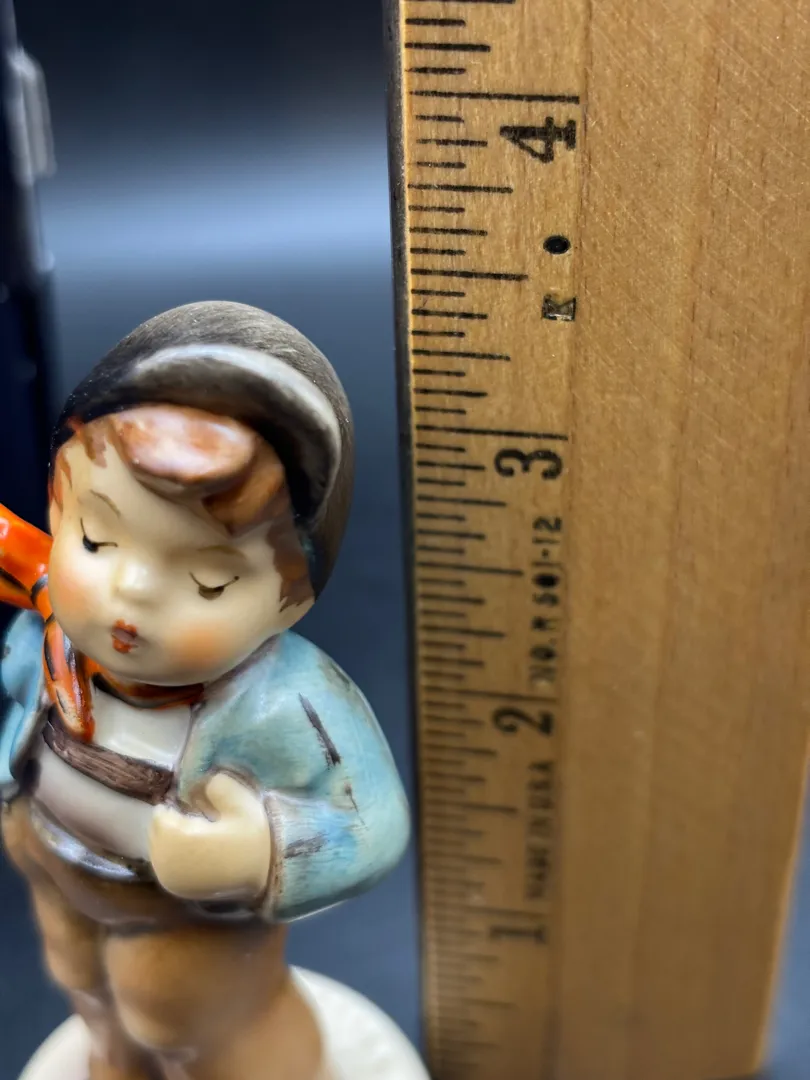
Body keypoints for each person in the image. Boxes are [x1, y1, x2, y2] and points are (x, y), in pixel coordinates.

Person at [0, 301, 410, 1080]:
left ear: (290, 599)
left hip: (182, 917)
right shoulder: (46, 630)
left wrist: (256, 851)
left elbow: (372, 825)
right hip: (54, 863)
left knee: (186, 1018)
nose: (130, 592)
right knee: (85, 987)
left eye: (210, 580)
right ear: (56, 505)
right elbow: (18, 690)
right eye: (96, 538)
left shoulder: (285, 701)